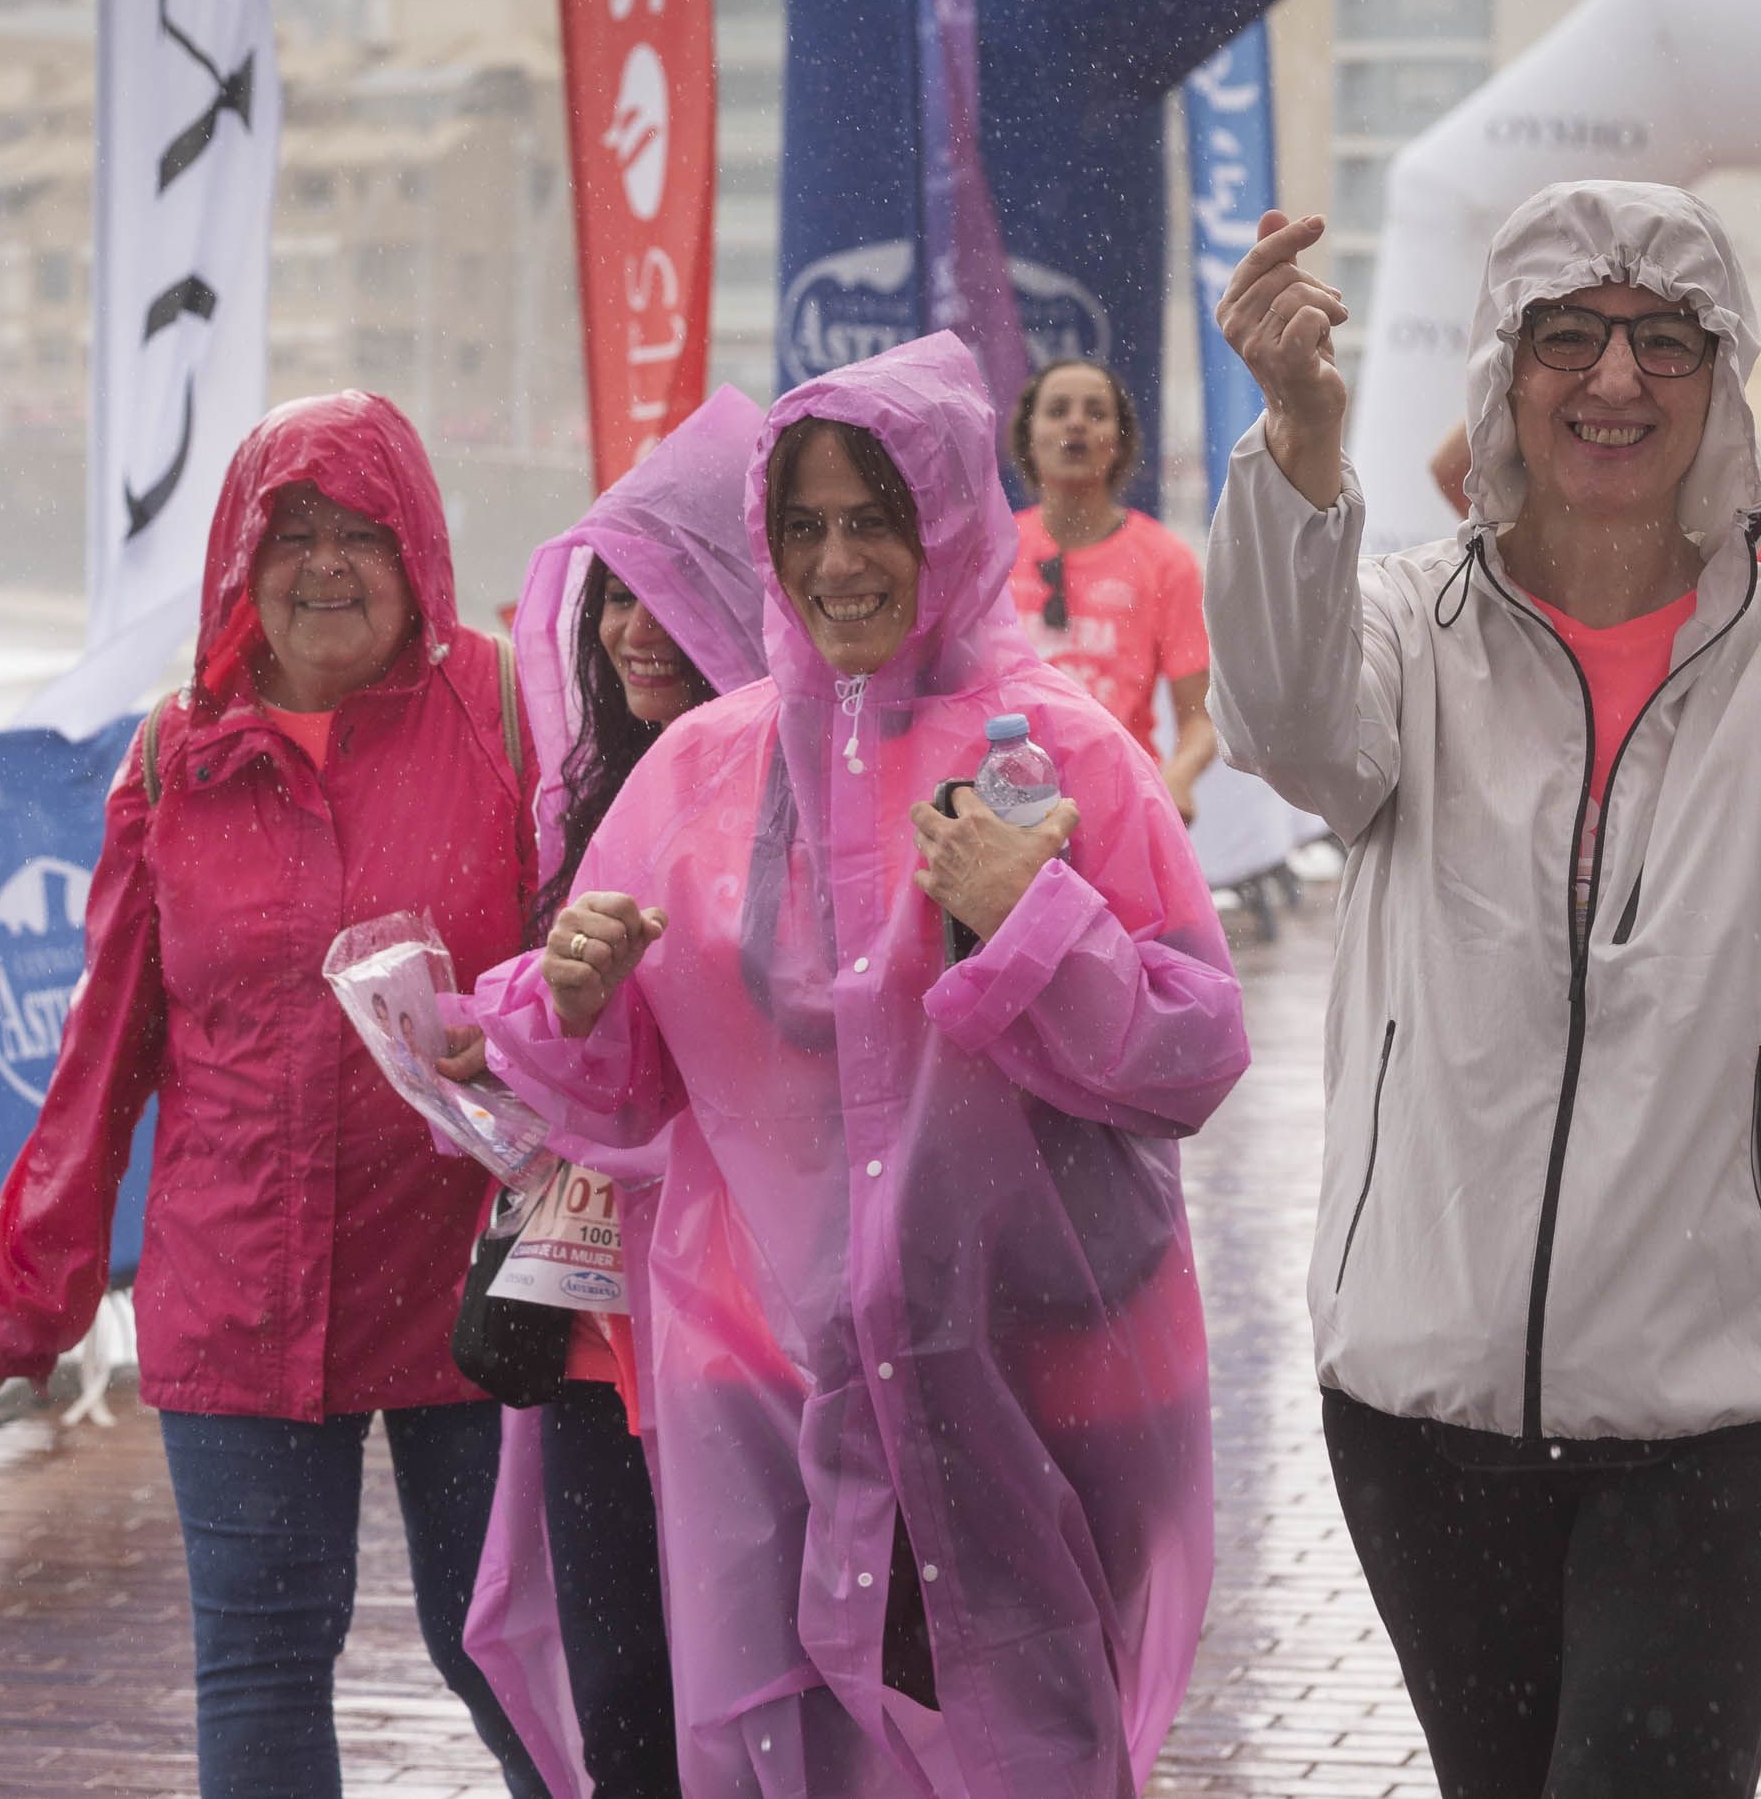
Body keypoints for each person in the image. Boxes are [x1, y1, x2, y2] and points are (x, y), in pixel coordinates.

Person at [1206, 185, 1761, 1799]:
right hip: (1423, 1385)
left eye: (1667, 343)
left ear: (1724, 378)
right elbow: (1288, 728)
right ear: (1505, 371)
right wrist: (1298, 434)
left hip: (1724, 1401)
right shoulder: (1407, 627)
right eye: (1568, 336)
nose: (1617, 382)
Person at [465, 335, 1246, 1797]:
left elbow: (1193, 1049)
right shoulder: (702, 766)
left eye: (874, 517)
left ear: (949, 520)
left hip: (1019, 1375)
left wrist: (1039, 918)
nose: (839, 563)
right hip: (768, 1393)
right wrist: (569, 996)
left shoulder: (1063, 754)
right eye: (803, 524)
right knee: (785, 1754)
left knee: (1026, 1747)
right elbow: (624, 1084)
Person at [0, 392, 549, 1799]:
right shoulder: (175, 751)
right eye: (292, 533)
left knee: (513, 1648)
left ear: (420, 547)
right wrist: (31, 1296)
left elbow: (601, 951)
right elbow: (105, 1049)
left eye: (361, 530)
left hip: (475, 1271)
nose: (327, 564)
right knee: (262, 1656)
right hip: (239, 1283)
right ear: (239, 557)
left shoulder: (514, 707)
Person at [466, 383, 772, 1799]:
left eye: (672, 589)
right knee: (627, 1709)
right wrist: (496, 1039)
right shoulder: (587, 793)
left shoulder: (801, 790)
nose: (633, 630)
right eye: (613, 595)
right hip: (590, 1326)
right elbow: (586, 1064)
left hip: (746, 1329)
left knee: (761, 1704)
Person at [1008, 354, 1219, 823]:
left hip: (1120, 809)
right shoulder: (992, 552)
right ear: (1029, 436)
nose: (1077, 424)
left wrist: (1176, 780)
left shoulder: (1166, 560)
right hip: (1003, 812)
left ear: (1119, 445)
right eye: (1058, 410)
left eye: (1096, 413)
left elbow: (1201, 722)